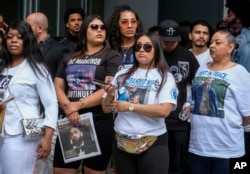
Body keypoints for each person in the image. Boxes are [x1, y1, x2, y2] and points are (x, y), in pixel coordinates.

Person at [53, 15, 122, 174]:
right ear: (84, 31)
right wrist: (70, 108)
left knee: (92, 171)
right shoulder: (70, 57)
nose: (99, 30)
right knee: (61, 170)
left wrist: (77, 104)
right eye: (94, 27)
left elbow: (108, 88)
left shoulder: (112, 56)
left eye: (102, 27)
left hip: (99, 120)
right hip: (72, 120)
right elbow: (58, 85)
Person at [102, 32, 178, 174]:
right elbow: (106, 109)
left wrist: (130, 107)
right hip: (122, 140)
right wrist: (109, 96)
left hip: (152, 141)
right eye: (138, 46)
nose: (142, 50)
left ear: (156, 50)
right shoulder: (122, 74)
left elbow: (164, 111)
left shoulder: (165, 77)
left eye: (147, 47)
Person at [188, 30, 250, 174]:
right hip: (198, 147)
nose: (211, 46)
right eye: (211, 42)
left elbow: (248, 114)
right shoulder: (201, 69)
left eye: (218, 42)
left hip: (228, 150)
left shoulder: (240, 73)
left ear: (230, 47)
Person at [0, 20, 58, 174]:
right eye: (10, 36)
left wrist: (47, 138)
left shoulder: (37, 68)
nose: (13, 40)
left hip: (22, 134)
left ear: (27, 41)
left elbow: (51, 104)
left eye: (19, 37)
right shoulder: (1, 66)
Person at [26, 12, 68, 174]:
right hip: (29, 113)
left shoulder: (59, 50)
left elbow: (61, 83)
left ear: (40, 28)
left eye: (28, 26)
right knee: (30, 162)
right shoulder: (27, 49)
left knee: (45, 161)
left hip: (49, 115)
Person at [159, 19, 200, 174]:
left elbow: (199, 83)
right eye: (166, 41)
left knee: (177, 164)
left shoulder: (187, 56)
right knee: (157, 163)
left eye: (173, 41)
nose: (169, 44)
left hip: (178, 120)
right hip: (155, 118)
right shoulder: (154, 54)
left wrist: (192, 105)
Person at [224, 0, 250, 160]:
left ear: (238, 18)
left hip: (242, 109)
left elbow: (245, 80)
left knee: (242, 156)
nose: (226, 18)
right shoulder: (239, 37)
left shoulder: (245, 44)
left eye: (230, 14)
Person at [106, 4, 143, 70]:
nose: (130, 25)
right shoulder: (109, 48)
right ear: (117, 25)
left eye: (133, 21)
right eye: (124, 22)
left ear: (138, 24)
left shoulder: (143, 47)